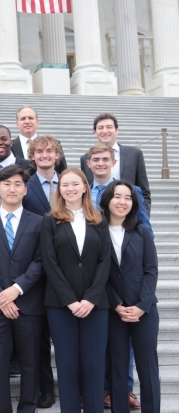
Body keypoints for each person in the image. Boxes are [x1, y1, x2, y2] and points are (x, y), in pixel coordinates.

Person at [85, 143, 151, 410]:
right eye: (95, 159)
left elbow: (145, 231)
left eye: (105, 159)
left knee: (130, 346)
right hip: (100, 285)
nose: (100, 163)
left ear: (114, 162)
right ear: (88, 163)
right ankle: (103, 389)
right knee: (105, 344)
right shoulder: (83, 192)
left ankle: (124, 389)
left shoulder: (131, 193)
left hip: (131, 281)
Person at [40, 168, 111, 413]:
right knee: (67, 363)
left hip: (96, 304)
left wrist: (90, 298)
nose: (69, 189)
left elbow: (105, 260)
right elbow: (49, 262)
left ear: (84, 187)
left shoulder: (99, 218)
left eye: (75, 184)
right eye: (64, 185)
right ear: (59, 189)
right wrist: (70, 300)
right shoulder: (50, 220)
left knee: (94, 363)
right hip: (60, 305)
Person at [0, 165, 45, 413]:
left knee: (30, 362)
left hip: (28, 304)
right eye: (7, 184)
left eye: (17, 184)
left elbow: (41, 260)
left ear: (25, 190)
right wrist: (0, 296)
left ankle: (27, 408)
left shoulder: (39, 222)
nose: (12, 188)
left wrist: (17, 289)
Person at [100, 181, 160, 413]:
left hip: (144, 310)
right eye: (117, 196)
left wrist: (142, 306)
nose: (122, 201)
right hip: (114, 311)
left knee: (147, 368)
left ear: (133, 203)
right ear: (107, 200)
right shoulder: (97, 232)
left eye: (128, 197)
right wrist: (116, 305)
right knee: (117, 367)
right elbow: (99, 275)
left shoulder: (142, 231)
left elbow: (151, 270)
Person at [22, 135, 64, 408]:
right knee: (38, 338)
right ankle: (45, 388)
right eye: (40, 151)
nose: (45, 154)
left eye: (49, 151)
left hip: (70, 269)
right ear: (32, 156)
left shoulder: (72, 182)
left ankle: (77, 385)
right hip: (37, 270)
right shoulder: (26, 187)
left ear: (57, 155)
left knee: (67, 335)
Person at [80, 113, 151, 213]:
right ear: (95, 132)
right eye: (100, 128)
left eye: (109, 127)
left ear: (117, 130)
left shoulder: (134, 154)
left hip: (128, 215)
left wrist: (143, 217)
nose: (105, 131)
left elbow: (144, 191)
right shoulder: (85, 158)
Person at [11, 107, 67, 174]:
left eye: (30, 118)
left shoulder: (54, 144)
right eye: (23, 119)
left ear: (37, 122)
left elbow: (63, 171)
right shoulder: (10, 146)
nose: (27, 122)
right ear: (17, 124)